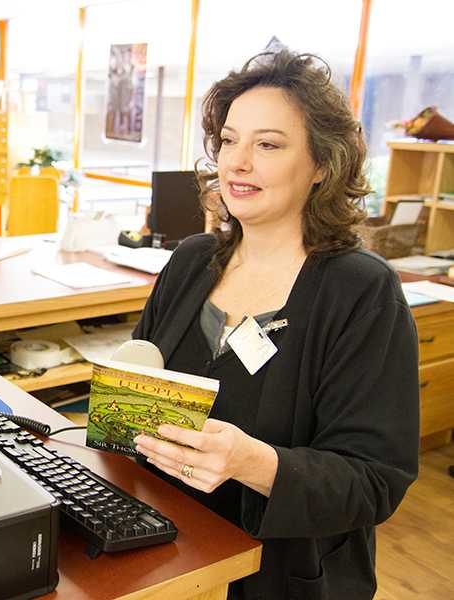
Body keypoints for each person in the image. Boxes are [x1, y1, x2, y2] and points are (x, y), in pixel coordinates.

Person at [131, 50, 419, 599]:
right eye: (230, 141)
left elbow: (376, 481)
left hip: (280, 579)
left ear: (321, 166)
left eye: (267, 144)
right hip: (164, 557)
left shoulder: (360, 290)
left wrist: (252, 462)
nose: (237, 163)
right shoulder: (192, 260)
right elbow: (140, 386)